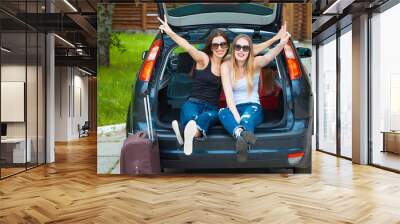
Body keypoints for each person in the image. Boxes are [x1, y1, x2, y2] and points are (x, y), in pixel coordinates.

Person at [158, 15, 286, 156]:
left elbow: (249, 51)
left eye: (223, 45)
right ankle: (189, 132)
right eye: (215, 45)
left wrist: (275, 40)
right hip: (193, 102)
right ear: (211, 47)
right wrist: (170, 32)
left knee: (206, 117)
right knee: (192, 117)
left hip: (211, 107)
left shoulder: (228, 62)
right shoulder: (204, 59)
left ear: (227, 47)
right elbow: (188, 47)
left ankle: (185, 134)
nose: (219, 48)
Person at [218, 25, 290, 162]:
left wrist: (281, 42)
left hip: (253, 107)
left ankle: (241, 138)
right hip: (233, 107)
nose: (241, 51)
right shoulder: (225, 66)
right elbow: (228, 96)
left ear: (250, 51)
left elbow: (270, 55)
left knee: (246, 119)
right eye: (238, 47)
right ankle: (243, 136)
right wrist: (236, 116)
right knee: (222, 112)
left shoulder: (255, 63)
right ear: (233, 50)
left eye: (245, 48)